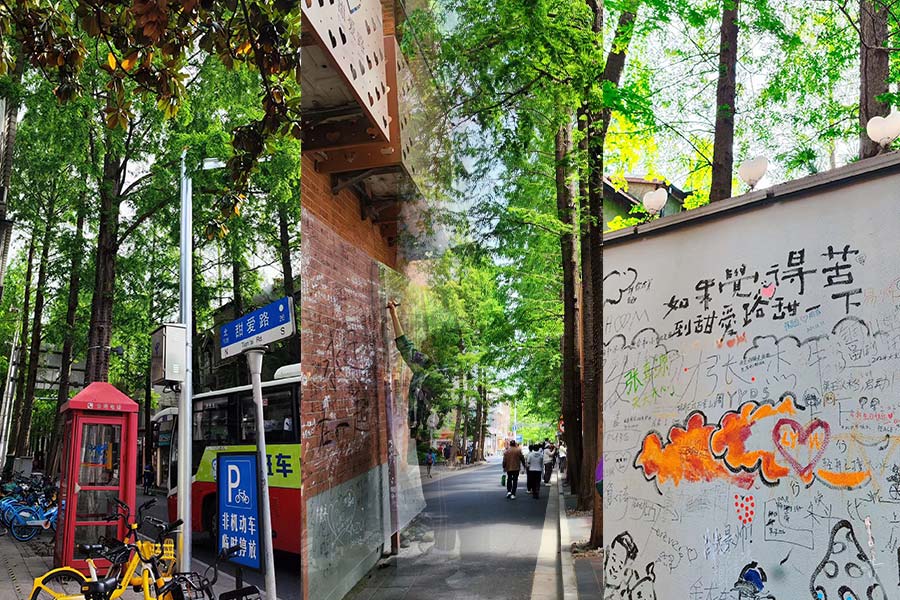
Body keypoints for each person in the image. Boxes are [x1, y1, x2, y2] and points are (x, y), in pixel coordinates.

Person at [387, 301, 447, 436]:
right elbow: (405, 348)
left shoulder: (434, 374)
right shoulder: (427, 367)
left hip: (419, 433)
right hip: (414, 433)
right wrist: (394, 315)